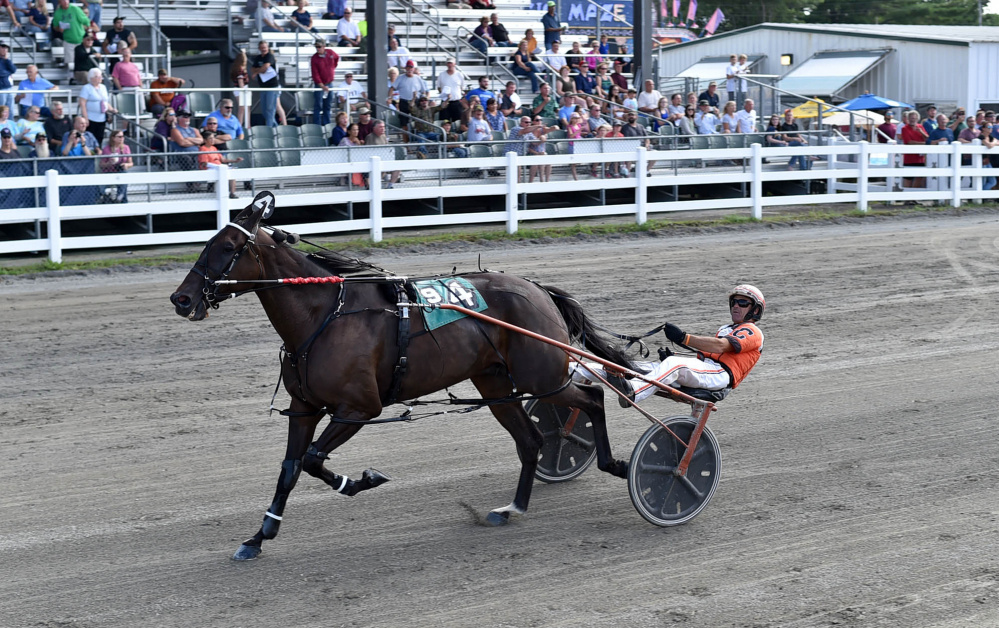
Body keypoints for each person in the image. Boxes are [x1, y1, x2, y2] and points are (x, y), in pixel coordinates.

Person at [573, 286, 765, 406]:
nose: (736, 306)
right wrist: (674, 354)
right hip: (707, 370)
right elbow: (705, 356)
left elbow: (721, 347)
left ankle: (634, 392)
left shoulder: (753, 331)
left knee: (676, 364)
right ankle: (570, 369)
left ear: (755, 310)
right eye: (734, 301)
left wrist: (683, 338)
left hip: (720, 376)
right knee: (629, 367)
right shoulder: (726, 328)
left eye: (743, 303)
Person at [197, 130, 243, 198]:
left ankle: (232, 193)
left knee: (232, 171)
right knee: (223, 170)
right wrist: (217, 166)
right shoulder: (203, 149)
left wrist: (235, 161)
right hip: (210, 169)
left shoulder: (214, 148)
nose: (213, 140)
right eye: (210, 138)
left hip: (219, 168)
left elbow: (223, 159)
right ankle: (222, 195)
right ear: (205, 140)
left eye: (213, 138)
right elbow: (204, 163)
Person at [77, 66, 112, 144]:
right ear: (91, 78)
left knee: (100, 138)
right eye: (97, 76)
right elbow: (82, 103)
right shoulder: (86, 88)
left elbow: (105, 101)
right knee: (91, 138)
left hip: (102, 118)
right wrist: (86, 118)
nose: (99, 78)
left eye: (100, 76)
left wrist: (111, 109)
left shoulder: (103, 87)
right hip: (91, 118)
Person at [52, 0, 89, 70]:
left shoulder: (75, 9)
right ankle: (71, 79)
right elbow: (55, 26)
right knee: (70, 63)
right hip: (68, 41)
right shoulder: (58, 13)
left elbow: (86, 21)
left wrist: (87, 28)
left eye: (67, 0)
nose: (65, 2)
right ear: (60, 2)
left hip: (80, 40)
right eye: (63, 0)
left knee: (82, 62)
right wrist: (59, 29)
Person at [251, 40, 281, 128]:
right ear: (259, 48)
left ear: (268, 48)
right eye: (262, 48)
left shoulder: (270, 56)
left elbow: (265, 68)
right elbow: (252, 68)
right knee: (264, 111)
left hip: (272, 87)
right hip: (263, 87)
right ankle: (275, 128)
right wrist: (257, 71)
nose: (264, 49)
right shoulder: (258, 58)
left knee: (270, 109)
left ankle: (269, 130)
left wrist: (256, 72)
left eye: (265, 47)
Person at [310, 38, 339, 126]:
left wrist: (332, 68)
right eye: (316, 47)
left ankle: (327, 124)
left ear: (324, 46)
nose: (318, 49)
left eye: (319, 47)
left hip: (328, 83)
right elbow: (315, 75)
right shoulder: (314, 58)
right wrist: (322, 86)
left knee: (328, 105)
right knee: (318, 105)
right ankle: (317, 125)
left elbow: (337, 58)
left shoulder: (330, 53)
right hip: (320, 85)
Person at [365, 119, 401, 187]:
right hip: (375, 162)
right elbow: (367, 152)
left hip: (385, 160)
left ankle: (390, 184)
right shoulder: (370, 137)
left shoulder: (384, 136)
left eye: (383, 127)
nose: (382, 129)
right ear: (374, 128)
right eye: (380, 127)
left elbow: (387, 149)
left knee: (398, 168)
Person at [100, 128, 132, 202]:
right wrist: (109, 163)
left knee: (124, 174)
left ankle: (119, 197)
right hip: (108, 171)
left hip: (120, 171)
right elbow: (101, 164)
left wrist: (126, 165)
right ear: (113, 138)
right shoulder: (106, 149)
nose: (122, 138)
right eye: (119, 137)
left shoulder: (126, 148)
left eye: (123, 136)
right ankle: (118, 198)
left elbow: (131, 163)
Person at [900, 110, 928, 189]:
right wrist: (923, 144)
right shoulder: (904, 128)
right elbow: (909, 142)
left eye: (915, 118)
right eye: (911, 118)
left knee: (919, 177)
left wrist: (921, 132)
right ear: (908, 119)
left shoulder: (920, 127)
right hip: (909, 157)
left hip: (920, 158)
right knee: (908, 178)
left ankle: (913, 197)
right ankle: (907, 198)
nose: (913, 120)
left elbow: (927, 139)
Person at [436, 58, 466, 122]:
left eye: (451, 63)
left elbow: (461, 88)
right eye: (448, 63)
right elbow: (438, 87)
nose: (449, 65)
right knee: (444, 122)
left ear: (454, 64)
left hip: (456, 102)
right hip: (445, 102)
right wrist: (444, 95)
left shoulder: (459, 75)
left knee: (457, 122)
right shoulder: (441, 75)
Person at [0, 43, 15, 112]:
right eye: (2, 47)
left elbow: (14, 69)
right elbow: (1, 72)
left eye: (6, 48)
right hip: (1, 89)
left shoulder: (6, 60)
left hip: (9, 88)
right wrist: (8, 73)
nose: (5, 49)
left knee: (10, 110)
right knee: (1, 110)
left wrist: (7, 59)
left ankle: (10, 122)